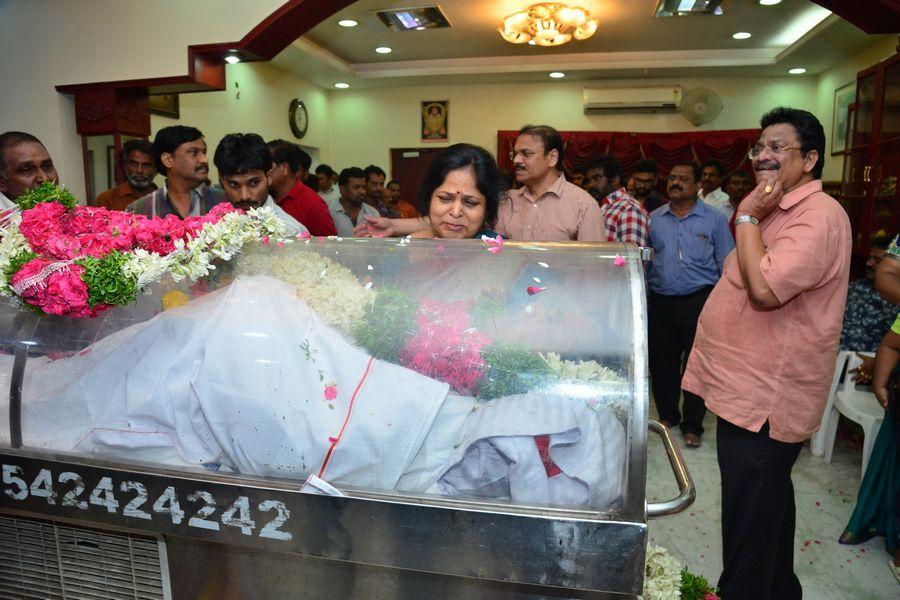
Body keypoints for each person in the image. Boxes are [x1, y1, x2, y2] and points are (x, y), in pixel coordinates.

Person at [682, 107, 852, 600]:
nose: (763, 156)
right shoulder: (776, 206)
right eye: (760, 147)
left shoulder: (817, 216)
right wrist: (757, 212)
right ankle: (781, 591)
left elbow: (764, 290)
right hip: (744, 390)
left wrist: (750, 215)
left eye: (778, 148)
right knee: (766, 506)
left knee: (749, 524)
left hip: (766, 401)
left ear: (811, 158)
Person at [647, 161, 733, 448]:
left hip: (700, 300)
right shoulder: (654, 219)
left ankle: (693, 424)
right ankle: (668, 416)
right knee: (662, 363)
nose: (675, 182)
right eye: (672, 177)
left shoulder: (715, 219)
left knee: (698, 364)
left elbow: (728, 264)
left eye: (683, 178)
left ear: (698, 185)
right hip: (661, 301)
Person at [212, 133, 306, 237]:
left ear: (269, 177)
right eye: (234, 184)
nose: (244, 196)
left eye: (254, 183)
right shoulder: (211, 228)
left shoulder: (292, 232)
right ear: (221, 180)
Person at [409, 143, 503, 240]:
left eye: (470, 202)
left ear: (487, 210)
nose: (456, 212)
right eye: (445, 198)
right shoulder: (411, 246)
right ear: (429, 199)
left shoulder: (502, 252)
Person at [127, 126, 224, 218]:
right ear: (168, 160)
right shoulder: (139, 211)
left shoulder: (224, 201)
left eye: (204, 153)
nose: (204, 160)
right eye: (194, 153)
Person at [840, 233, 897, 353]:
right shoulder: (854, 287)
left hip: (873, 364)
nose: (869, 264)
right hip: (835, 359)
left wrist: (874, 363)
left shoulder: (895, 298)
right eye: (869, 258)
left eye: (877, 260)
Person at [267, 140, 337, 237]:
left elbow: (329, 246)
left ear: (284, 168)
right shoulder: (264, 197)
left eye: (267, 167)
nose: (263, 171)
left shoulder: (313, 204)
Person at [585, 155, 649, 246]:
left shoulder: (629, 209)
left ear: (615, 180)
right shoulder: (601, 206)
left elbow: (632, 257)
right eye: (589, 180)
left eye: (597, 178)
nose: (591, 184)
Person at [0, 131, 59, 211]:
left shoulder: (72, 213)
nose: (44, 179)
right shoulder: (4, 221)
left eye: (47, 166)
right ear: (2, 183)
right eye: (26, 170)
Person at [94, 139, 157, 211]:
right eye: (134, 164)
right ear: (124, 166)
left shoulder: (165, 199)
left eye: (146, 165)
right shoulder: (106, 199)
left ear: (156, 169)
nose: (139, 170)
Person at [325, 167, 380, 237]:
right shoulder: (327, 210)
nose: (362, 191)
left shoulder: (373, 214)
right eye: (357, 187)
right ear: (343, 189)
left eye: (364, 187)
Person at [722, 170, 753, 235]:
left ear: (750, 187)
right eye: (736, 183)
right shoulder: (718, 209)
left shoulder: (756, 210)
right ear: (727, 188)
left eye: (745, 183)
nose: (741, 187)